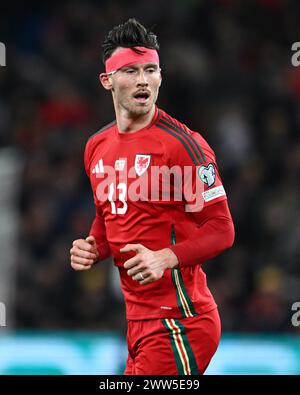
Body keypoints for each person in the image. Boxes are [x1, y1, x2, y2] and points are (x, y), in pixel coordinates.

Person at [70, 18, 235, 375]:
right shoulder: (96, 146)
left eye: (151, 70)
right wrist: (94, 246)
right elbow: (109, 212)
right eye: (130, 70)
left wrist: (166, 258)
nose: (143, 80)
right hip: (138, 323)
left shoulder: (183, 145)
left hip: (181, 322)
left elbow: (221, 229)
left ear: (160, 76)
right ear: (107, 81)